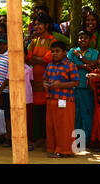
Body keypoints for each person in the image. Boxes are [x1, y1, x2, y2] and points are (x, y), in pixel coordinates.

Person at [43, 41, 80, 158]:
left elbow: (76, 82)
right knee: (51, 125)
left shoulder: (70, 65)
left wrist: (60, 85)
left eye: (57, 51)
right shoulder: (49, 65)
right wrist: (45, 84)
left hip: (65, 100)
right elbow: (45, 79)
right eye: (52, 51)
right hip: (51, 99)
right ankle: (54, 149)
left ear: (65, 52)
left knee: (64, 126)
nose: (54, 54)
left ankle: (63, 150)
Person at [25, 13, 56, 147]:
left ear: (47, 25)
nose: (36, 27)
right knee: (36, 110)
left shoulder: (53, 41)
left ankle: (46, 137)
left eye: (39, 24)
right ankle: (37, 137)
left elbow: (48, 60)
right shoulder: (33, 41)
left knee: (46, 110)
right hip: (33, 80)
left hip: (47, 79)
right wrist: (41, 59)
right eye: (35, 24)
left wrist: (38, 59)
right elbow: (27, 58)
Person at [67, 30, 98, 146]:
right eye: (80, 38)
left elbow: (93, 65)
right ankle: (75, 141)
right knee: (75, 114)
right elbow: (67, 65)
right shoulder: (72, 51)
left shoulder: (94, 52)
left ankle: (86, 141)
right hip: (73, 87)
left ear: (90, 40)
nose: (82, 40)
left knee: (87, 113)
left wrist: (80, 59)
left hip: (87, 87)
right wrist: (82, 66)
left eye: (85, 38)